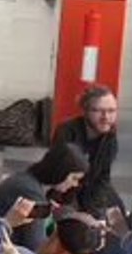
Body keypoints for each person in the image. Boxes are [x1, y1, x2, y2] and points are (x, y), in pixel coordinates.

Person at [0, 142, 88, 251]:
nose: (75, 184)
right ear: (60, 172)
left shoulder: (28, 181)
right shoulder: (32, 194)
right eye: (74, 178)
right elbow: (36, 245)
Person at [52, 85, 122, 216]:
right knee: (76, 226)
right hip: (66, 189)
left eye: (111, 111)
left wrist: (98, 210)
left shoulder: (110, 137)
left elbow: (103, 177)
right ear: (85, 111)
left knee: (118, 216)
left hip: (93, 186)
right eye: (98, 111)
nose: (106, 117)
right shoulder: (67, 132)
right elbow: (61, 178)